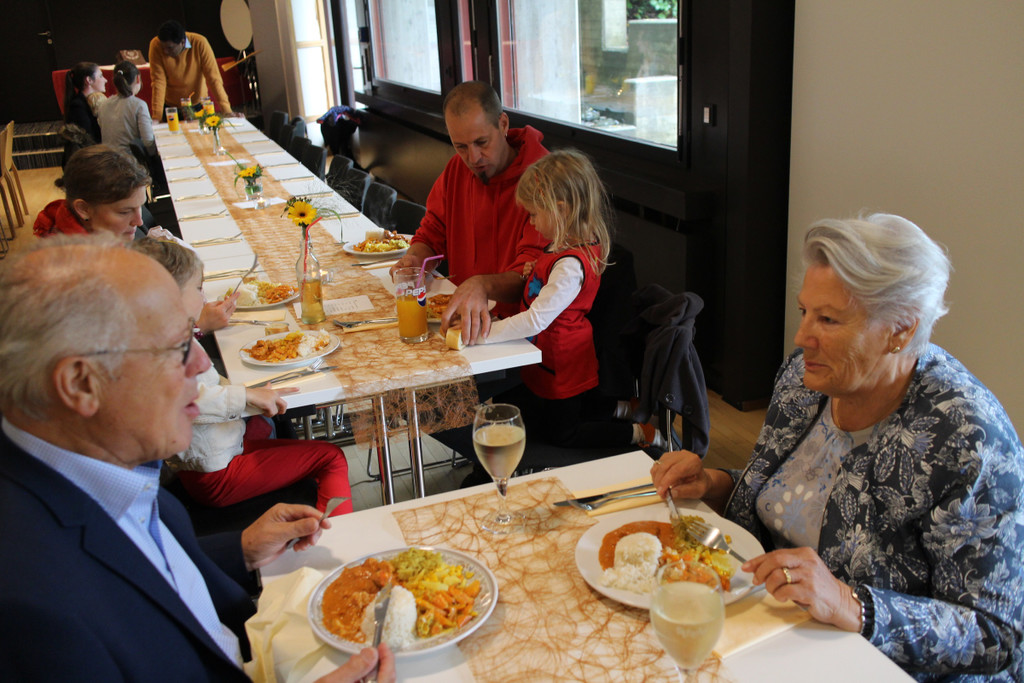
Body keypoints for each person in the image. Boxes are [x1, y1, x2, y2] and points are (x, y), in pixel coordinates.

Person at [0, 236, 394, 683]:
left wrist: (240, 549)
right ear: (81, 383)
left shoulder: (111, 470)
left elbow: (142, 565)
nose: (200, 364)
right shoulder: (29, 605)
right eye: (175, 346)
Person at [651, 213, 1024, 681]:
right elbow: (785, 495)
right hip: (768, 629)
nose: (801, 337)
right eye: (805, 311)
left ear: (901, 330)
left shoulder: (967, 438)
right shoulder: (804, 378)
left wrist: (851, 603)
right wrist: (713, 484)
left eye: (827, 319)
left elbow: (995, 635)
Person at [132, 238, 353, 516]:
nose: (204, 299)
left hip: (217, 452)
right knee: (331, 457)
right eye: (198, 289)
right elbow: (183, 400)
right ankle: (338, 533)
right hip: (215, 472)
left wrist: (254, 394)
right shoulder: (160, 345)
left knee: (268, 422)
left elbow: (206, 385)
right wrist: (246, 395)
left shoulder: (160, 331)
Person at [463, 150, 663, 450]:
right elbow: (551, 281)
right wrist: (536, 270)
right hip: (553, 355)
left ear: (560, 210)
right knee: (565, 410)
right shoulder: (565, 244)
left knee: (563, 434)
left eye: (534, 214)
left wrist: (485, 333)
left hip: (563, 359)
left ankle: (639, 434)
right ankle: (620, 409)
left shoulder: (570, 265)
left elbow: (536, 318)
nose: (531, 222)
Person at [391, 80, 549, 344]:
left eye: (481, 142)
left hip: (520, 335)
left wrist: (482, 285)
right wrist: (416, 259)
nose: (473, 158)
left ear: (503, 124)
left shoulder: (543, 179)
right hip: (462, 324)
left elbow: (533, 274)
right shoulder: (457, 169)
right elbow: (432, 232)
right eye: (461, 147)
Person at [33, 144, 148, 242]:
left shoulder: (105, 240)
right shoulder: (72, 258)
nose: (139, 222)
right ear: (84, 209)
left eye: (140, 206)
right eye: (124, 212)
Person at [149, 19, 233, 121]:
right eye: (163, 47)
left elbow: (213, 79)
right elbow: (158, 82)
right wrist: (156, 117)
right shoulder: (156, 45)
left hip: (198, 105)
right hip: (171, 107)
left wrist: (227, 111)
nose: (165, 51)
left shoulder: (200, 43)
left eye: (170, 48)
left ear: (182, 42)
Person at [99, 60, 157, 156]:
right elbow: (148, 142)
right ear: (138, 79)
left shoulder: (103, 104)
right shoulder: (139, 105)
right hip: (130, 160)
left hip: (107, 159)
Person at [63, 61, 105, 143]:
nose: (105, 80)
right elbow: (88, 139)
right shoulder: (77, 107)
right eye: (101, 76)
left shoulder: (92, 101)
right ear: (89, 80)